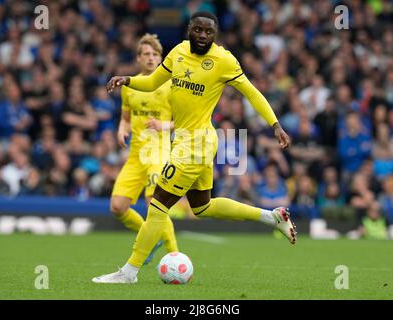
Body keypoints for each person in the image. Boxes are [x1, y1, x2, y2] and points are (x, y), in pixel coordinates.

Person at [96, 12, 297, 284]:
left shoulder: (223, 60)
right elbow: (153, 82)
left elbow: (251, 91)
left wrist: (275, 124)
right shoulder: (178, 52)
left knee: (157, 206)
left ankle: (129, 272)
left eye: (208, 32)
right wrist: (128, 79)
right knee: (202, 207)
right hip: (190, 142)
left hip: (195, 145)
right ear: (190, 29)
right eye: (198, 30)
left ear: (215, 35)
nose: (203, 36)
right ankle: (271, 217)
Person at [94, 34, 178, 283]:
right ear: (138, 58)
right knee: (117, 207)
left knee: (156, 204)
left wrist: (164, 125)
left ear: (160, 58)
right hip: (135, 157)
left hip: (159, 154)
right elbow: (126, 117)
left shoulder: (171, 85)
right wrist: (122, 128)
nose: (151, 58)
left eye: (155, 54)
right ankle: (148, 239)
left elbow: (186, 121)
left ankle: (175, 256)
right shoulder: (130, 86)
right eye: (146, 54)